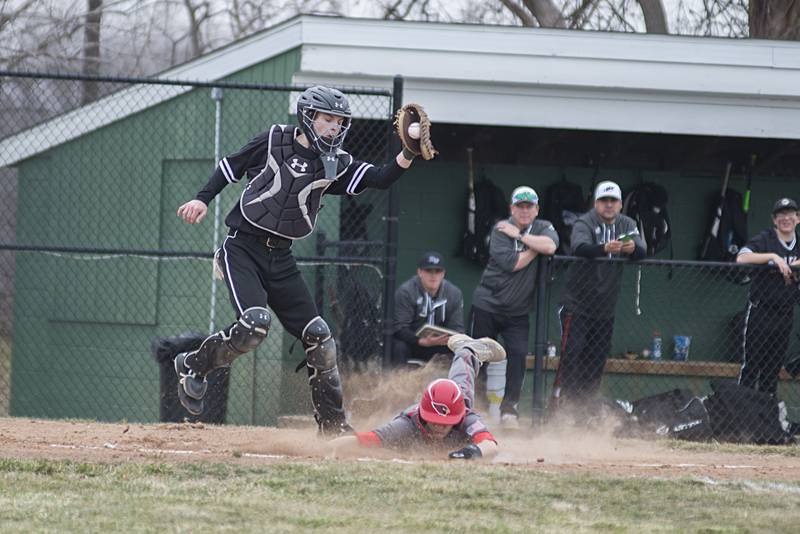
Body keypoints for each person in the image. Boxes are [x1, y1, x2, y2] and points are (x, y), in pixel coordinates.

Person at [172, 85, 423, 437]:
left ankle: (333, 426)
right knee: (254, 325)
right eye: (327, 120)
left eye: (339, 122)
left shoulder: (335, 163)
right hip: (242, 248)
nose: (334, 128)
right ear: (308, 117)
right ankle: (194, 366)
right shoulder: (274, 139)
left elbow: (379, 178)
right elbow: (231, 166)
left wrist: (407, 154)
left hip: (282, 257)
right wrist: (202, 200)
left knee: (319, 337)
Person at [330, 334, 506, 460]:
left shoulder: (466, 416)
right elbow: (367, 439)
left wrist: (470, 452)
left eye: (445, 422)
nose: (439, 426)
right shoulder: (407, 424)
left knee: (463, 382)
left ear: (458, 417)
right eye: (434, 420)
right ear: (423, 414)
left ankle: (467, 350)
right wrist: (324, 448)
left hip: (460, 402)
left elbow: (490, 446)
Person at [469, 186, 559, 429]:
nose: (525, 210)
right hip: (487, 304)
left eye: (529, 206)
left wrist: (520, 237)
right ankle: (478, 408)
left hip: (517, 312)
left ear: (536, 209)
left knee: (518, 357)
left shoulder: (543, 226)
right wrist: (533, 249)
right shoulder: (500, 229)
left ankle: (510, 410)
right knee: (480, 356)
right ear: (512, 208)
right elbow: (512, 263)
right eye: (520, 206)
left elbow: (550, 246)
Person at [552, 180, 646, 411]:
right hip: (577, 305)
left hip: (605, 308)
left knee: (596, 360)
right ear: (596, 203)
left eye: (613, 201)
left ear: (621, 204)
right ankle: (561, 408)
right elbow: (579, 247)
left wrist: (631, 248)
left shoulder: (627, 223)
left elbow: (642, 250)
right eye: (604, 201)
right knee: (572, 355)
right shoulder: (586, 221)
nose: (608, 205)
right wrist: (605, 248)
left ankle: (586, 409)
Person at [736, 197, 800, 395]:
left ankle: (766, 418)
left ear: (798, 218)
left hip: (785, 314)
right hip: (760, 312)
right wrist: (773, 257)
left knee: (772, 370)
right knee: (751, 367)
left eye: (790, 214)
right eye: (781, 215)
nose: (786, 218)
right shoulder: (765, 238)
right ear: (774, 220)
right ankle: (740, 415)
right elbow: (741, 258)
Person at [391, 251, 464, 367]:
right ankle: (397, 383)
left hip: (439, 344)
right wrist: (420, 341)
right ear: (420, 272)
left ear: (443, 273)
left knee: (462, 350)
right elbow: (399, 327)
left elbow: (457, 329)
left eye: (438, 271)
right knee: (398, 346)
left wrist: (448, 339)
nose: (433, 275)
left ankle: (452, 385)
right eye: (428, 271)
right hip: (413, 342)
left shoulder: (454, 293)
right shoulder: (406, 291)